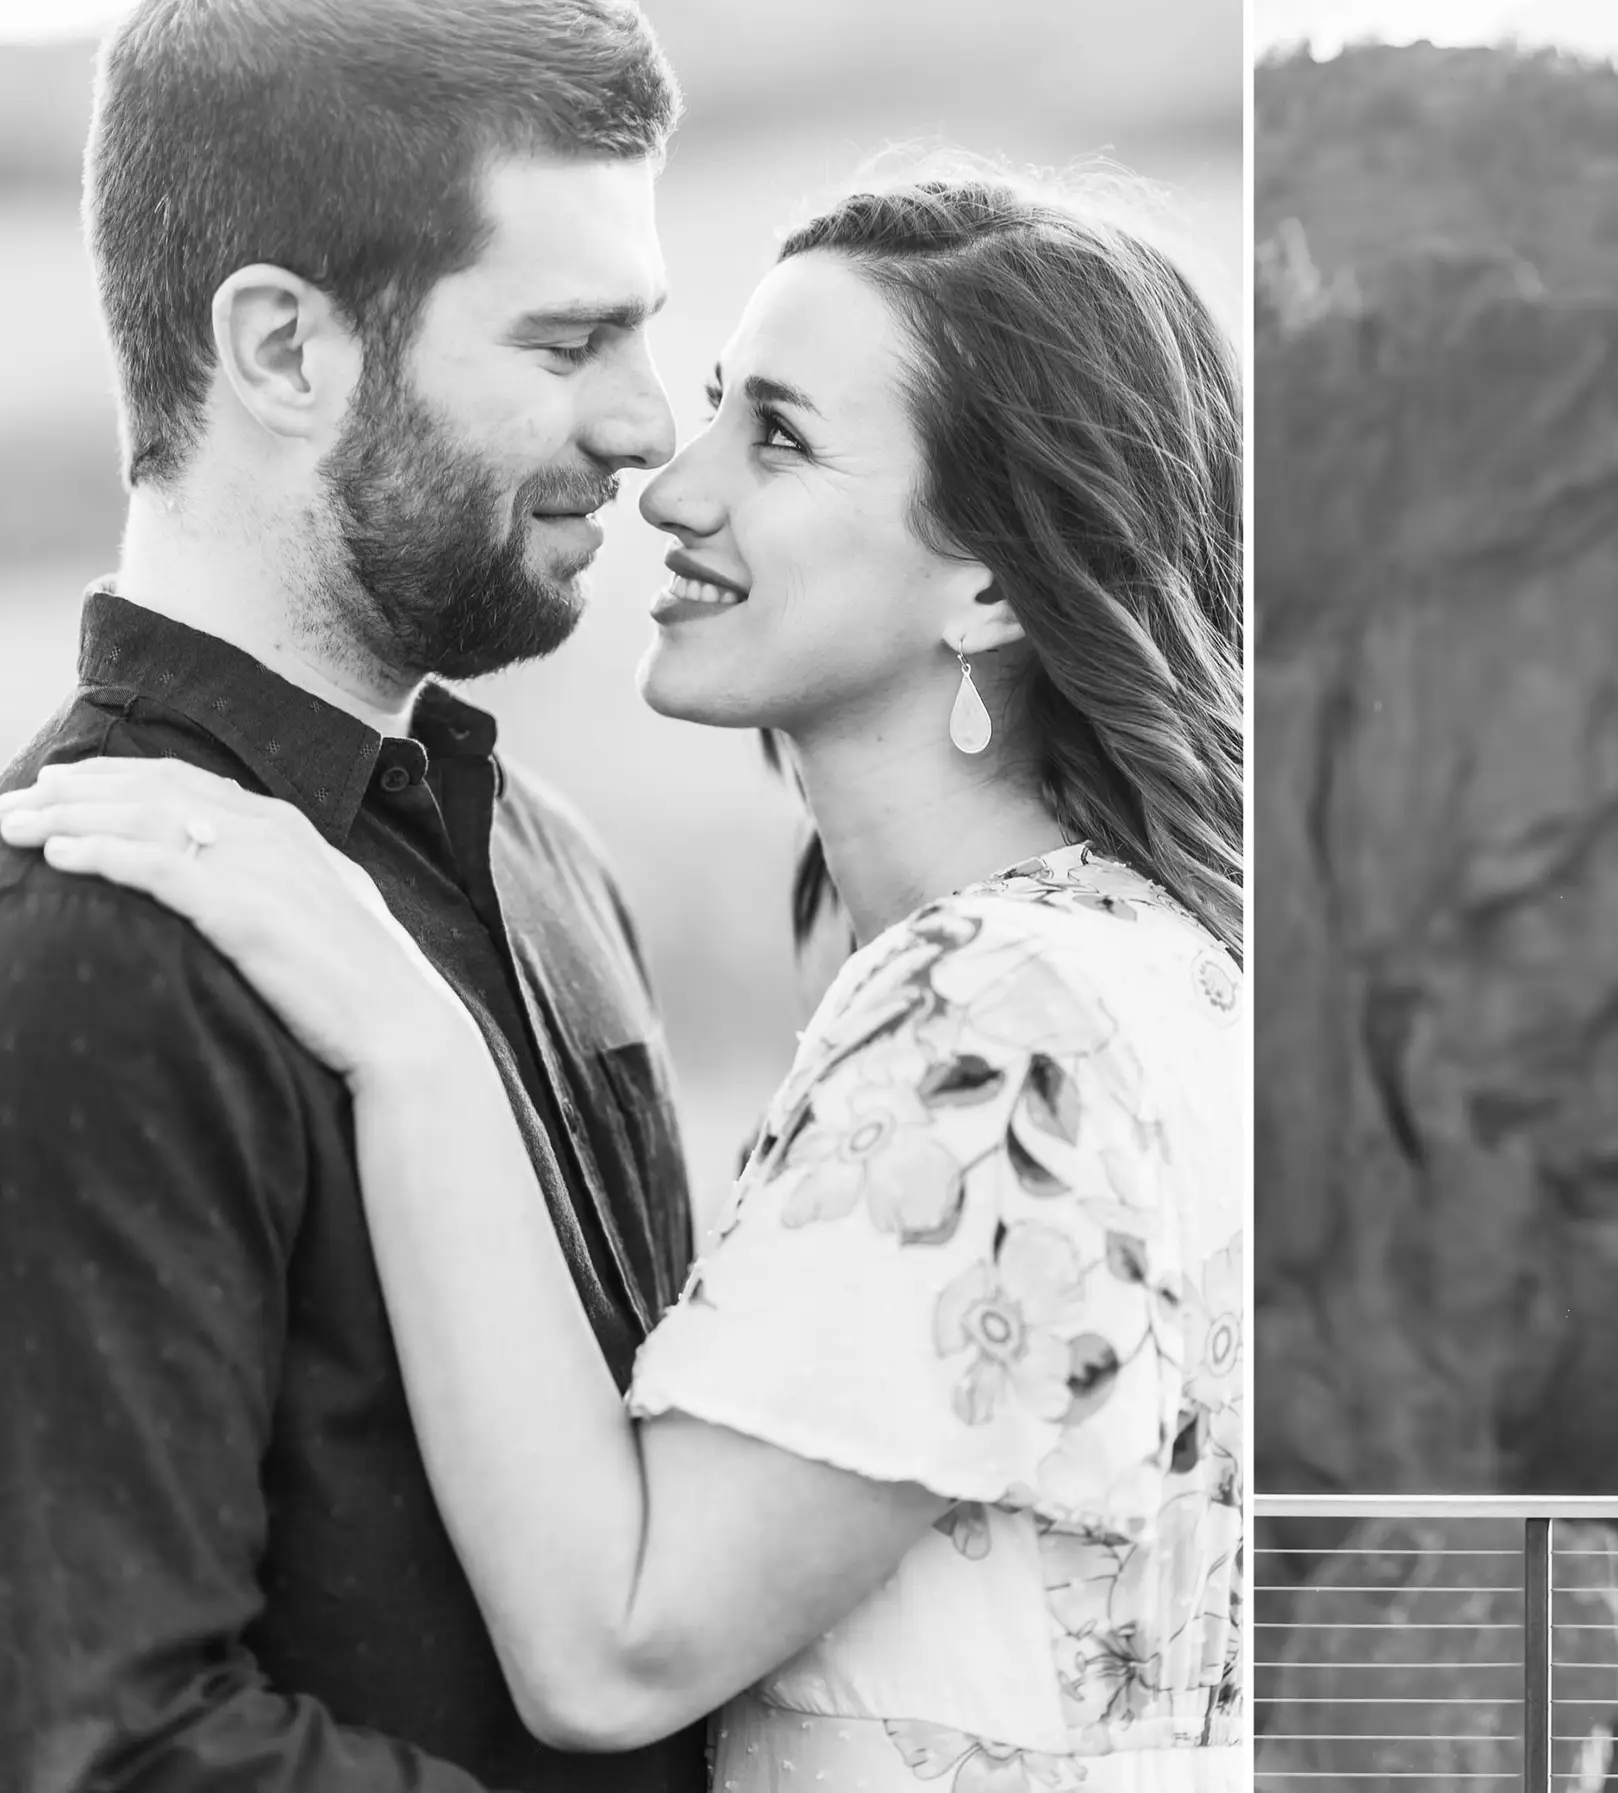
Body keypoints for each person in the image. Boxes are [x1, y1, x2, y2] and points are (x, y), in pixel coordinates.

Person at [3, 161, 1248, 1793]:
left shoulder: (1001, 1021)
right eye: (720, 402)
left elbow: (615, 1647)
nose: (671, 476)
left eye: (779, 437)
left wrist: (408, 1034)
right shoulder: (1137, 965)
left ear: (994, 582)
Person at [0, 3, 698, 1789]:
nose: (645, 422)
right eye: (567, 338)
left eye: (649, 332)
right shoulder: (90, 936)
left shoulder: (541, 856)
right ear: (285, 348)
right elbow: (118, 1745)